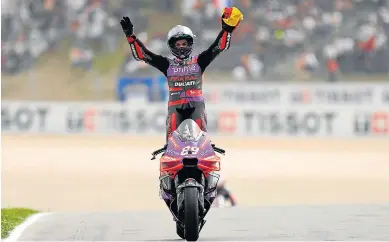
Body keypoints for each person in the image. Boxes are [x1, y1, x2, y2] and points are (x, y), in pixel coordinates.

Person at [120, 7, 243, 142]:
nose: (181, 47)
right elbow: (142, 55)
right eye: (177, 44)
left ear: (190, 44)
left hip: (196, 108)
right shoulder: (166, 64)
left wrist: (227, 29)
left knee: (201, 140)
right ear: (171, 46)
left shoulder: (200, 61)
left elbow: (219, 46)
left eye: (184, 43)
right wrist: (130, 37)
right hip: (175, 110)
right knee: (172, 143)